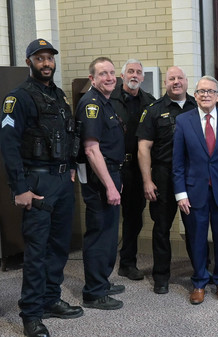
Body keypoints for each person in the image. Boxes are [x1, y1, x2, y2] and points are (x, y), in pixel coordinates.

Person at [0, 38, 83, 337]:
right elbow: (8, 146)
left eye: (49, 58)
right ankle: (32, 313)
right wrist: (19, 188)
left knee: (59, 246)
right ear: (29, 62)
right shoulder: (18, 97)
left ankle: (50, 299)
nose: (47, 63)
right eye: (40, 58)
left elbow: (65, 136)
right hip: (36, 182)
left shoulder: (58, 96)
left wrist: (71, 166)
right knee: (37, 250)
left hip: (61, 180)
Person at [172, 76, 218, 304]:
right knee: (197, 239)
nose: (205, 95)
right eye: (201, 91)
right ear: (195, 95)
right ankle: (200, 282)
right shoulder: (184, 121)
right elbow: (178, 162)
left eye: (210, 91)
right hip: (194, 194)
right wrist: (180, 193)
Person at [136, 66, 197, 294]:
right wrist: (147, 180)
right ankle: (161, 276)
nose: (176, 82)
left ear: (186, 81)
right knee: (161, 227)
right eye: (171, 78)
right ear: (165, 83)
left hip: (192, 177)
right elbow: (144, 148)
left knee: (194, 226)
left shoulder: (197, 105)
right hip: (163, 175)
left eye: (180, 77)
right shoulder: (153, 110)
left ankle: (200, 271)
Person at [76, 56, 126, 311]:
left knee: (108, 234)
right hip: (100, 178)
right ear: (92, 79)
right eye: (102, 73)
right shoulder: (91, 104)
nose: (109, 77)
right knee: (99, 235)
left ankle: (101, 283)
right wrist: (109, 186)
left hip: (110, 173)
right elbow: (91, 149)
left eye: (111, 73)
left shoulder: (106, 103)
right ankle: (94, 292)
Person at [110, 59, 156, 281]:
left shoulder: (150, 102)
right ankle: (103, 267)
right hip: (112, 168)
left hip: (137, 170)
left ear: (143, 77)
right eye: (130, 71)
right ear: (122, 75)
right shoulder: (108, 99)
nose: (134, 75)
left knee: (134, 218)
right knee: (107, 218)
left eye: (138, 72)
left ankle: (127, 263)